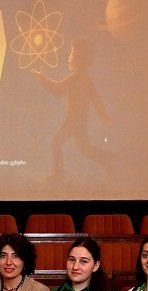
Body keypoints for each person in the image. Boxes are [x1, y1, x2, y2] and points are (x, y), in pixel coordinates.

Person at [32, 38, 114, 183]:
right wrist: (105, 117)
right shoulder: (86, 79)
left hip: (73, 121)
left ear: (81, 60)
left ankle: (58, 176)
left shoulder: (75, 79)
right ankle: (108, 160)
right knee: (86, 149)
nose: (69, 57)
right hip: (78, 121)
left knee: (57, 143)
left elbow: (58, 89)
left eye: (73, 54)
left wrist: (42, 78)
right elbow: (97, 100)